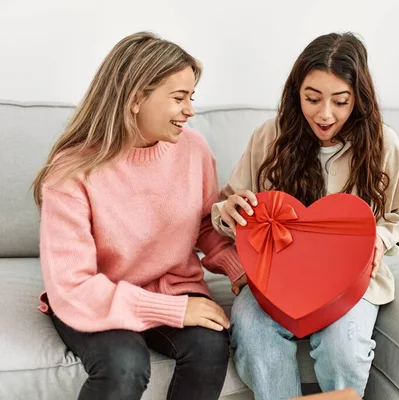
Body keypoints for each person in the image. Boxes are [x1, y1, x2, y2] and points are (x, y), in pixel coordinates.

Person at [212, 32, 399, 399]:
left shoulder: (382, 144)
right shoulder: (270, 137)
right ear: (296, 93)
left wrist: (379, 238)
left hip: (351, 275)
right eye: (312, 99)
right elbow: (229, 206)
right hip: (274, 274)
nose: (325, 114)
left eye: (340, 101)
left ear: (358, 100)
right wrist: (229, 212)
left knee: (342, 346)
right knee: (251, 329)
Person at [31, 31, 246, 400]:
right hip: (95, 296)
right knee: (124, 366)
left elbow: (203, 224)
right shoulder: (71, 171)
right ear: (135, 99)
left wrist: (240, 268)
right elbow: (72, 285)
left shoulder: (193, 150)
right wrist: (173, 311)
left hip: (172, 286)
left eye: (191, 97)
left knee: (211, 347)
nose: (190, 110)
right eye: (179, 98)